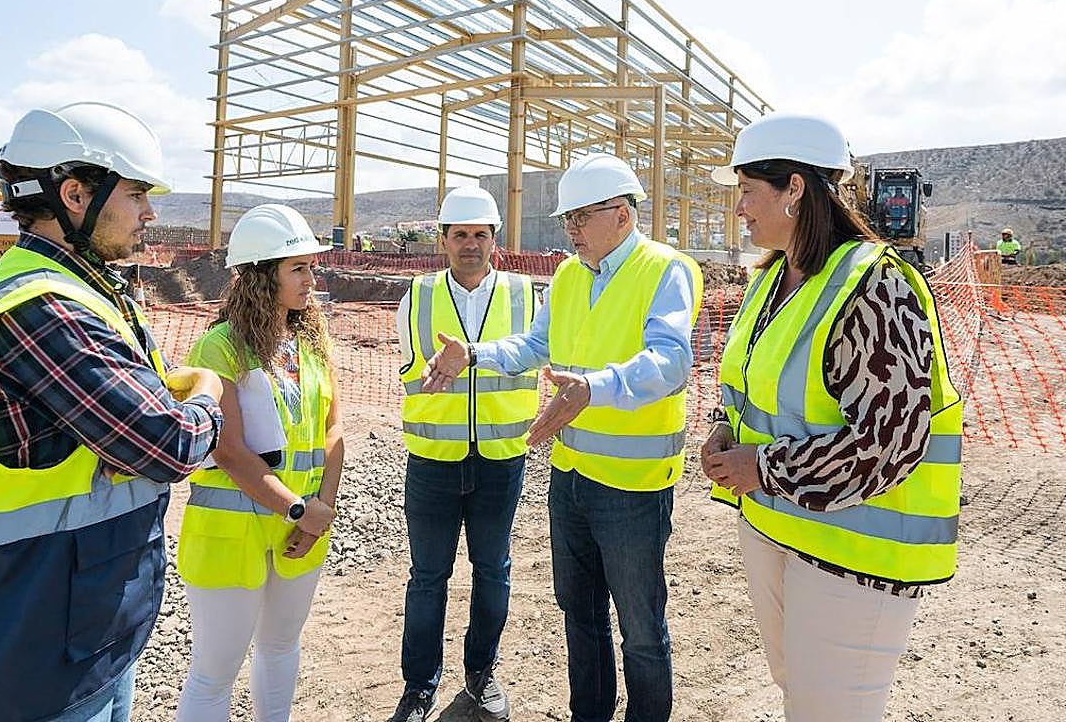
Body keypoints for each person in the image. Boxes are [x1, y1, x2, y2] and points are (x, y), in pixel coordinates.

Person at [0, 102, 225, 722]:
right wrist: (209, 396)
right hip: (28, 642)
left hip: (85, 620)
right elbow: (168, 443)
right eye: (138, 193)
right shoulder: (40, 307)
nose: (150, 213)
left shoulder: (86, 289)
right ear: (75, 194)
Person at [421, 155, 702, 722]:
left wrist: (594, 389)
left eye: (580, 218)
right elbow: (531, 347)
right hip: (571, 478)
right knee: (581, 614)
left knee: (641, 629)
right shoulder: (571, 275)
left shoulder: (664, 269)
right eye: (567, 219)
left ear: (621, 215)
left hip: (633, 485)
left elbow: (671, 362)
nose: (570, 230)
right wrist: (473, 355)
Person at [701, 113, 962, 722]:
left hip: (854, 554)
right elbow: (752, 382)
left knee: (830, 711)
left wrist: (761, 467)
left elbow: (891, 441)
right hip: (777, 526)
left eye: (746, 190)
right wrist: (723, 425)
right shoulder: (773, 278)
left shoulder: (873, 286)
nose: (739, 207)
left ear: (795, 188)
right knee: (801, 693)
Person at [176, 204, 345, 722]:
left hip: (302, 525)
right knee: (214, 670)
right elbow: (226, 450)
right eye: (298, 268)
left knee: (280, 647)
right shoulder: (219, 347)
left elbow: (332, 430)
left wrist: (322, 510)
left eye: (311, 267)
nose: (311, 280)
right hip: (232, 534)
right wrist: (300, 511)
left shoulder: (310, 345)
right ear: (258, 275)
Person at [386, 186, 539, 722]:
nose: (470, 244)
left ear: (495, 239)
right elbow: (409, 371)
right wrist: (428, 376)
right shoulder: (418, 296)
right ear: (443, 240)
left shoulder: (525, 295)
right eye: (460, 235)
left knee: (492, 569)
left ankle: (481, 674)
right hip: (432, 459)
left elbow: (534, 360)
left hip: (501, 458)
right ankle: (420, 684)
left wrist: (472, 363)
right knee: (428, 576)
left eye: (480, 234)